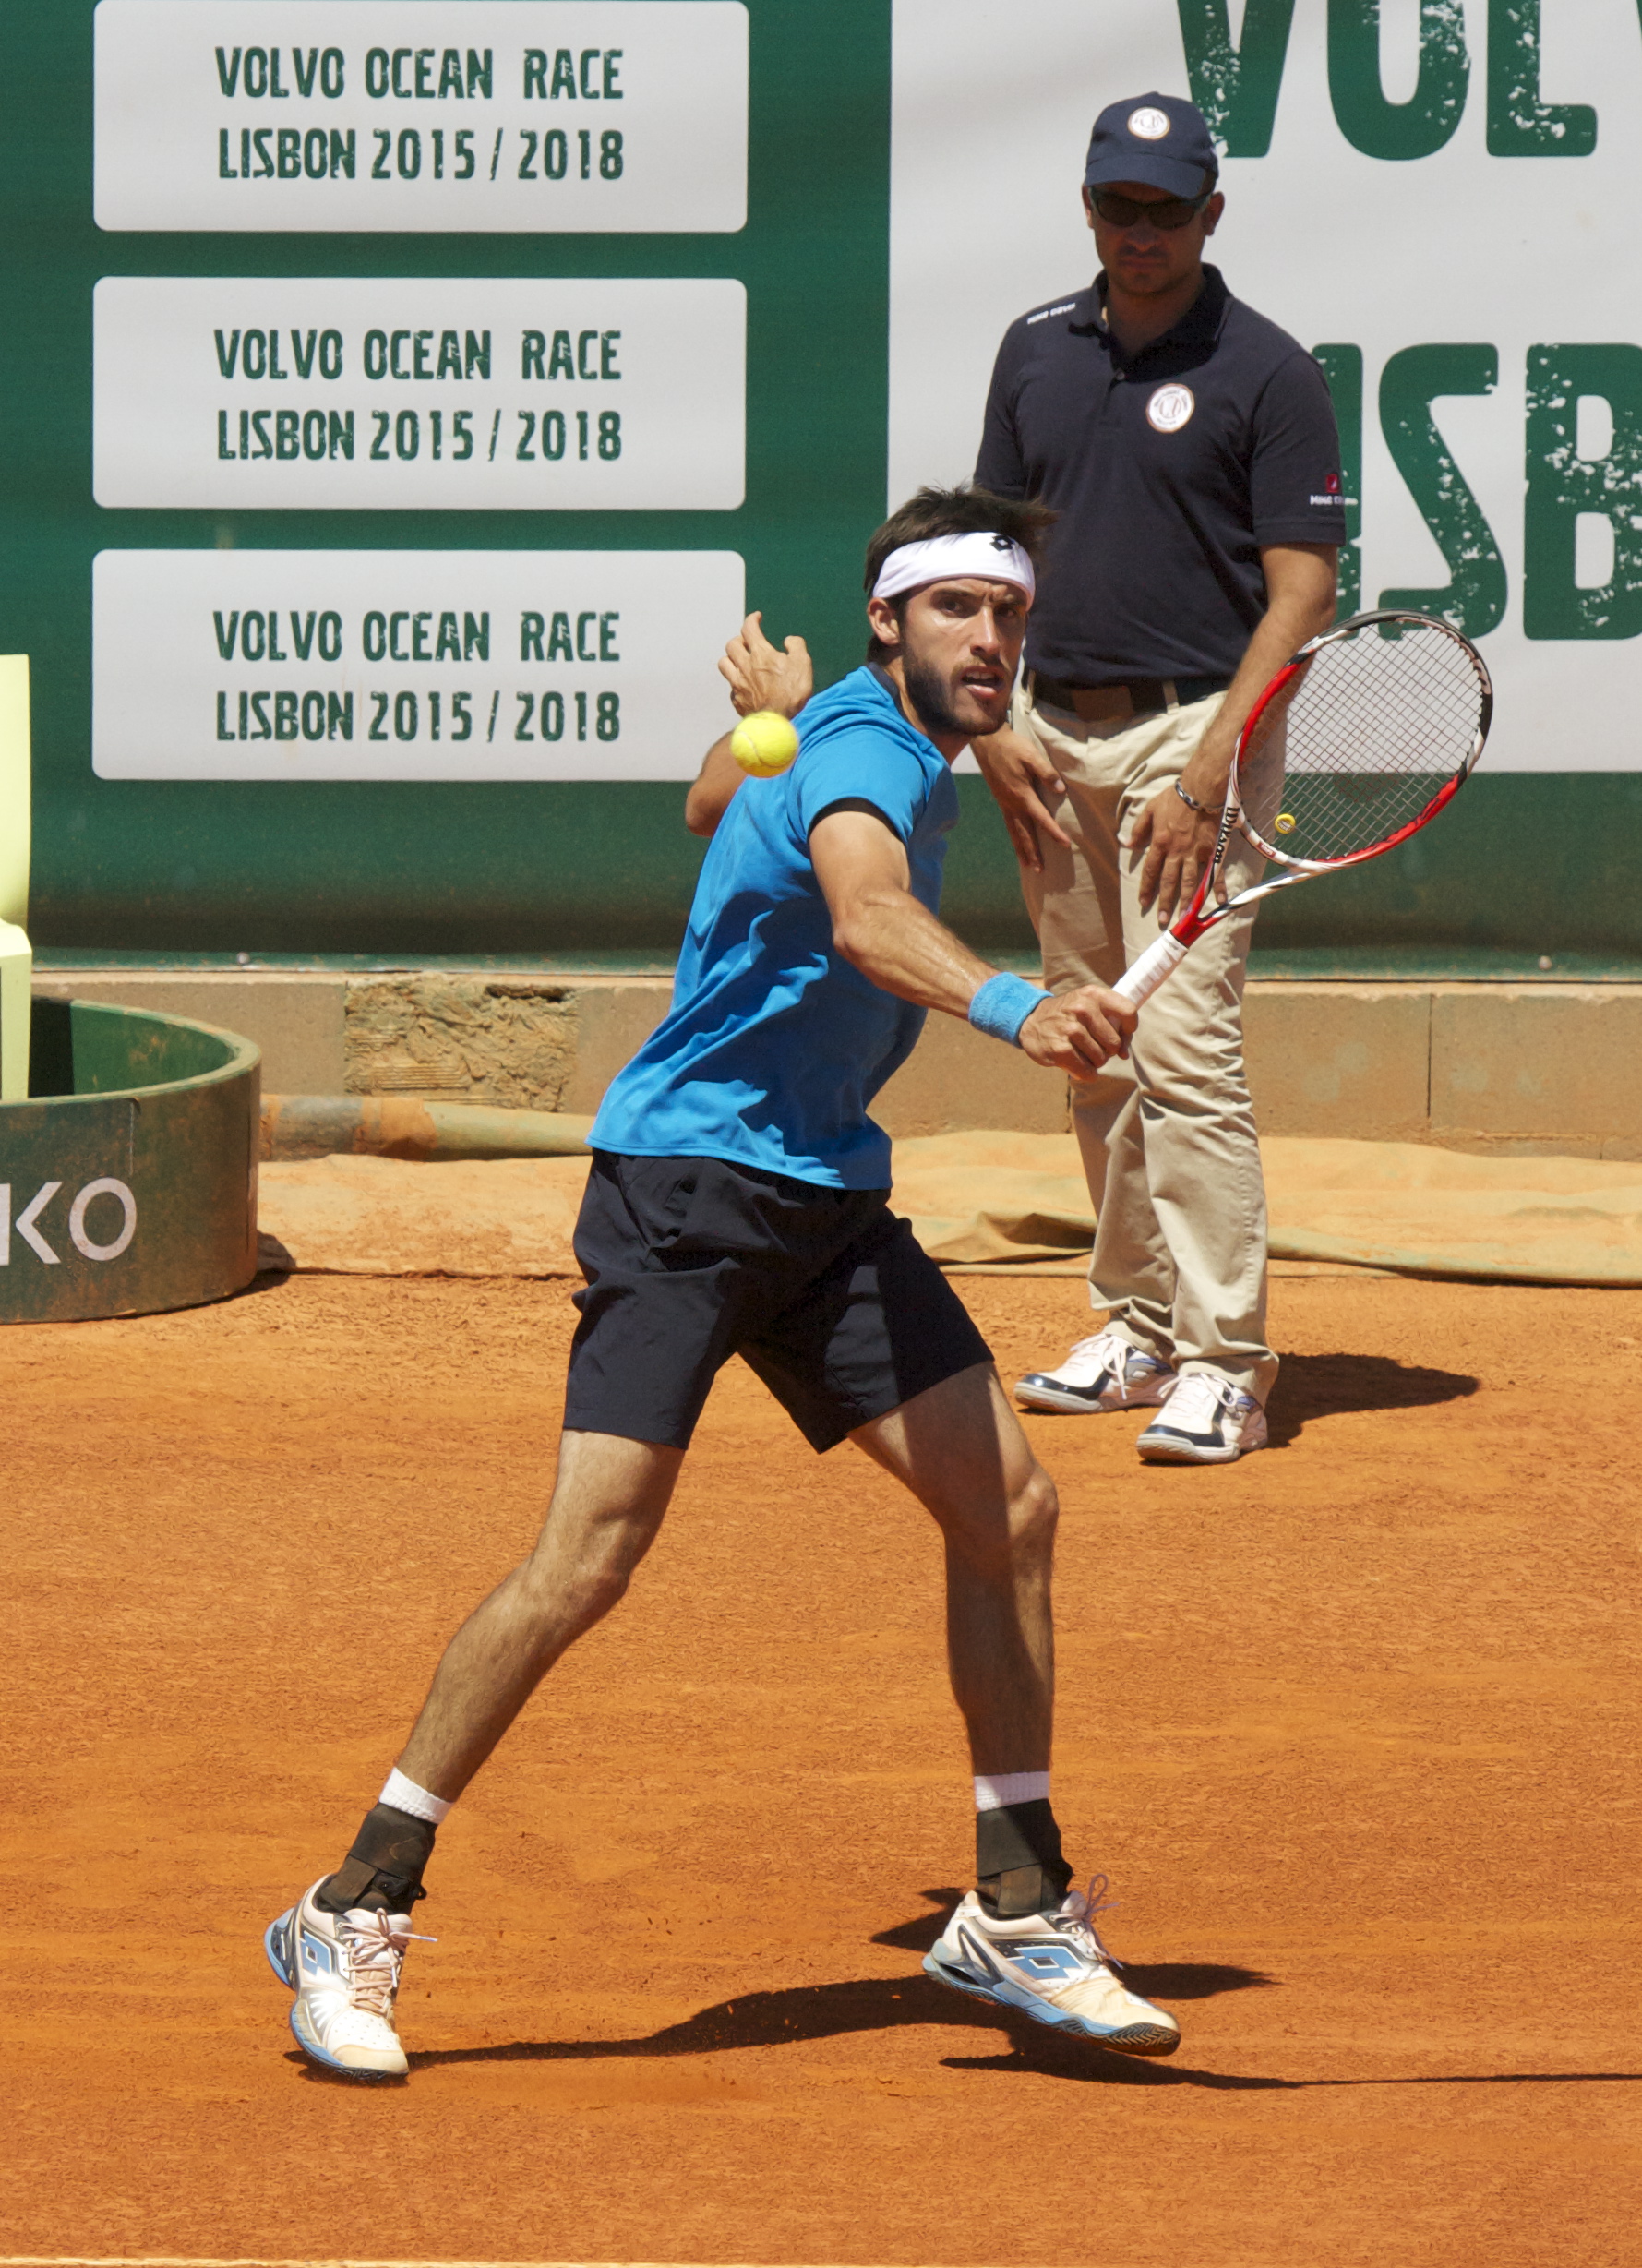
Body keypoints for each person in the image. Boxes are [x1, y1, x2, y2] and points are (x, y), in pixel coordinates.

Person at [265, 485, 1184, 2079]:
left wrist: (783, 726)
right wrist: (1016, 1005)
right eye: (958, 609)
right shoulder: (867, 750)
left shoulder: (849, 729)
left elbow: (711, 800)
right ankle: (352, 1903)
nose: (992, 638)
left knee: (1010, 1509)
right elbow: (869, 914)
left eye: (1011, 614)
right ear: (891, 618)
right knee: (587, 1561)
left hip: (825, 1198)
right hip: (687, 1192)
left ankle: (1017, 1903)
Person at [972, 91, 1342, 1465]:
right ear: (1088, 208)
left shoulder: (1270, 371)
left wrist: (1213, 760)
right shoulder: (1033, 348)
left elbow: (1302, 590)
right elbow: (991, 554)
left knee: (1184, 1051)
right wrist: (992, 720)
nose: (1142, 232)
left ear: (1210, 213)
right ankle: (1136, 1325)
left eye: (1167, 210)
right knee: (1091, 1045)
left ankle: (1226, 1361)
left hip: (1193, 743)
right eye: (1119, 207)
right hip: (1048, 743)